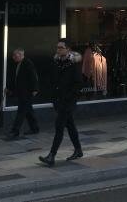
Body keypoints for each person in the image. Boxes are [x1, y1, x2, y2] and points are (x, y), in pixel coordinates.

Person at [39, 39, 83, 167]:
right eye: (57, 47)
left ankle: (51, 155)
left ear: (68, 49)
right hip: (58, 101)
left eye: (61, 47)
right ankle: (78, 150)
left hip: (68, 102)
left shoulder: (73, 64)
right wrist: (53, 96)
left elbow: (78, 84)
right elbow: (52, 80)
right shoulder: (56, 63)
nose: (58, 50)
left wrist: (69, 97)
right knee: (70, 126)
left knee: (59, 126)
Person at [5, 48, 40, 139]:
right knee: (28, 111)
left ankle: (15, 131)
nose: (13, 57)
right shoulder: (18, 64)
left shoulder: (27, 63)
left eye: (15, 55)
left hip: (27, 92)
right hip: (22, 92)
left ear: (21, 55)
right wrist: (9, 89)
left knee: (21, 111)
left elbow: (33, 76)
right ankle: (34, 128)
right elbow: (16, 79)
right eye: (13, 55)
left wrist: (35, 89)